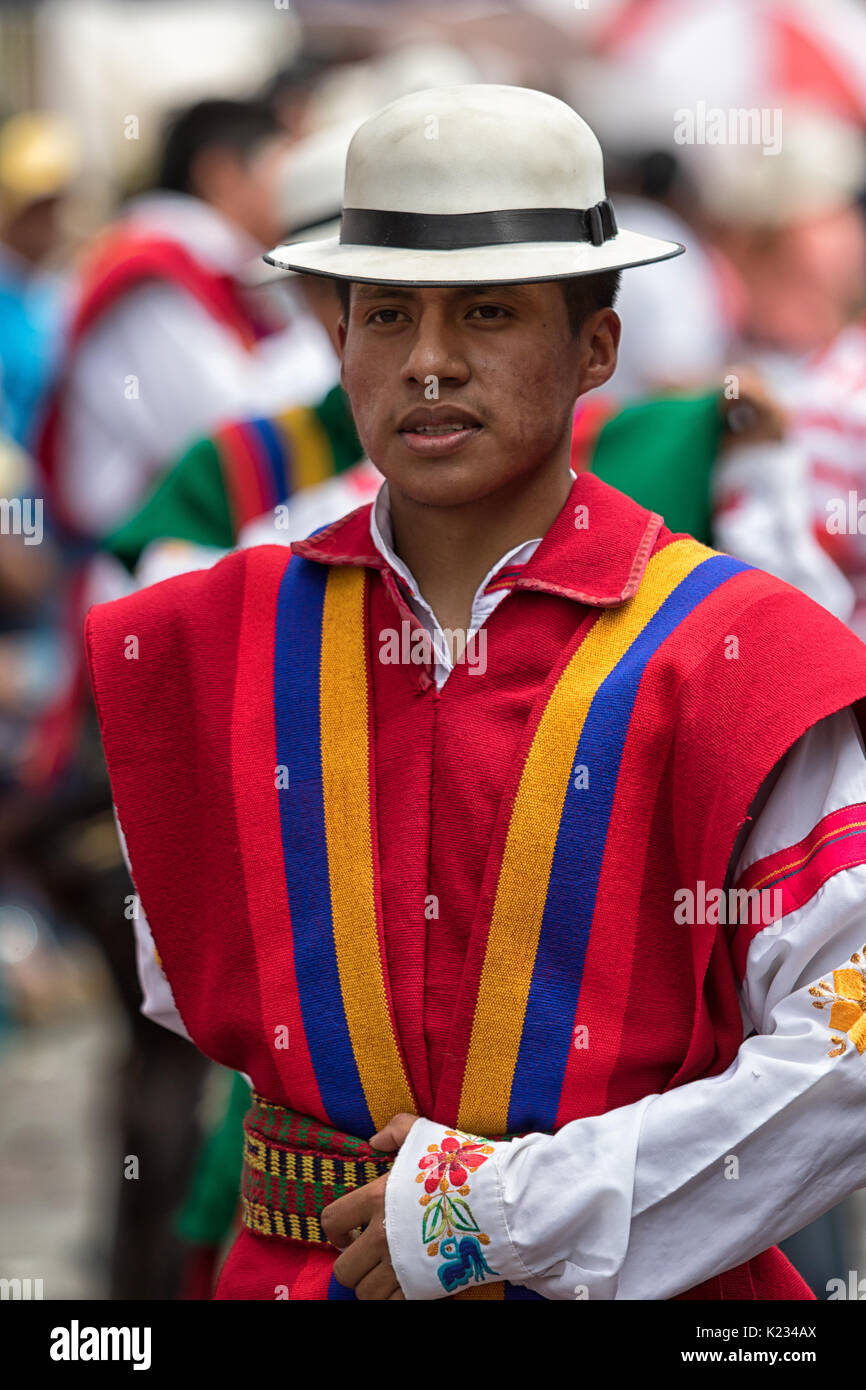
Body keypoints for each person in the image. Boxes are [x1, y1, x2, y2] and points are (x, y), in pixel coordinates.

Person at [86, 85, 866, 1302]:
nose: (429, 361)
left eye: (488, 314)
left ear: (595, 347)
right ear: (333, 339)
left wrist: (498, 1209)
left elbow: (849, 1045)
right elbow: (176, 991)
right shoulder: (203, 643)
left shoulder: (741, 657)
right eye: (383, 314)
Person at [37, 98, 293, 539]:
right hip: (134, 560)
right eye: (283, 170)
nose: (293, 190)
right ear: (222, 175)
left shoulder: (213, 269)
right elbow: (222, 433)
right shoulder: (150, 278)